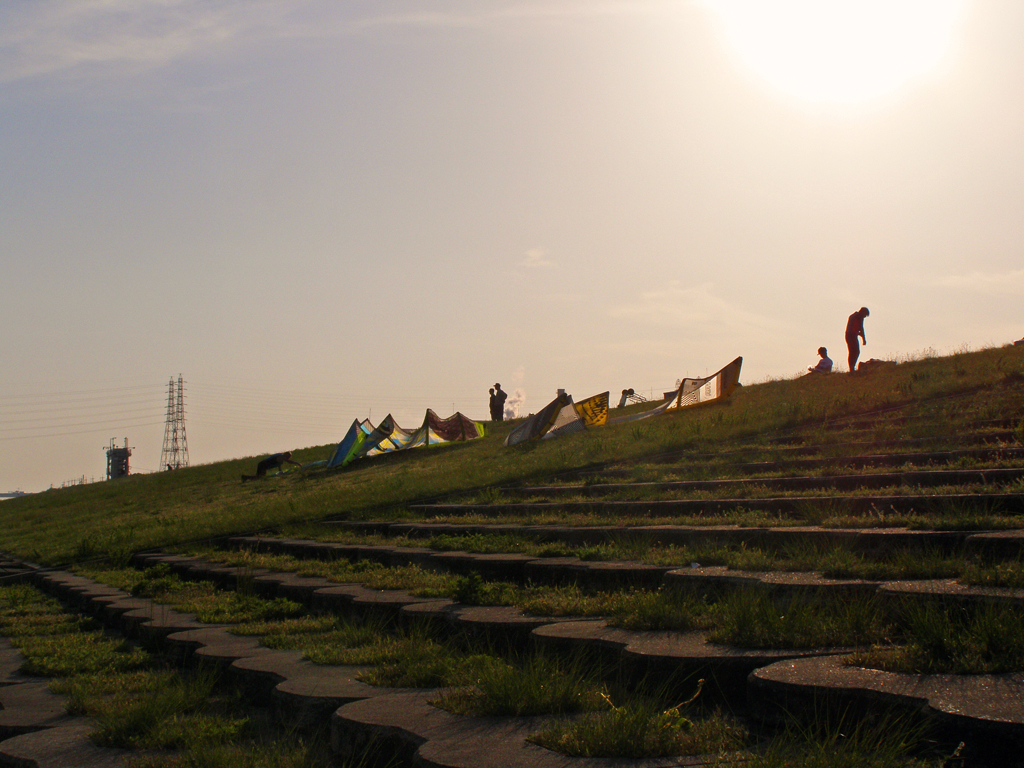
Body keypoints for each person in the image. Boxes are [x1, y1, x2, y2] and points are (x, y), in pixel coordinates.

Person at [845, 307, 870, 372]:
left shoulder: (853, 316)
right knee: (855, 352)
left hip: (849, 335)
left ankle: (852, 367)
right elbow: (861, 328)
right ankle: (852, 368)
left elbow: (856, 328)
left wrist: (859, 335)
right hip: (851, 336)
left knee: (852, 352)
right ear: (862, 312)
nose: (864, 317)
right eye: (865, 315)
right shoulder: (859, 317)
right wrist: (864, 339)